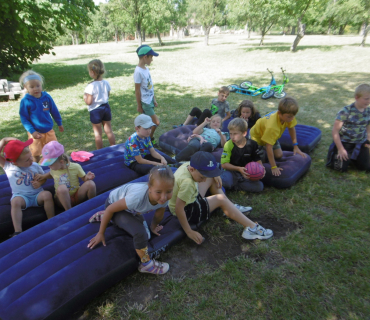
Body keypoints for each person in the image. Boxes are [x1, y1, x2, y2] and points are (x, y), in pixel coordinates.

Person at [169, 151, 273, 244]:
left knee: (212, 179)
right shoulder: (188, 183)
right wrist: (189, 231)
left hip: (190, 198)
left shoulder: (188, 165)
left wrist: (214, 175)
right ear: (192, 169)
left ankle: (229, 209)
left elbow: (206, 173)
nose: (204, 180)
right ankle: (251, 228)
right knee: (220, 199)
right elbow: (179, 209)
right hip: (188, 212)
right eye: (202, 177)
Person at [88, 165, 174, 275]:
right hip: (113, 205)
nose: (163, 197)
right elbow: (110, 208)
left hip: (132, 210)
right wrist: (101, 233)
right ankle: (146, 264)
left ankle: (110, 217)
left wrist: (153, 226)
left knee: (147, 235)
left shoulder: (165, 197)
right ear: (150, 188)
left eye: (168, 191)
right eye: (158, 192)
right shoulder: (137, 198)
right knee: (141, 234)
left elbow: (159, 214)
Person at [0, 137, 55, 237]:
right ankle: (17, 231)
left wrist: (40, 183)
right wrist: (3, 141)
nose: (31, 160)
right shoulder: (9, 167)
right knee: (15, 202)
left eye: (30, 156)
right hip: (22, 197)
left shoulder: (35, 165)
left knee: (47, 195)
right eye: (27, 160)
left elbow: (43, 177)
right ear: (15, 162)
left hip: (37, 194)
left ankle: (51, 219)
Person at [250, 97, 306, 177]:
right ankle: (256, 151)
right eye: (289, 117)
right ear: (279, 113)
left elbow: (291, 128)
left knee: (279, 155)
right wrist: (273, 167)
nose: (292, 118)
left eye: (293, 116)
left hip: (270, 136)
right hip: (256, 138)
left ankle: (264, 150)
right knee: (261, 162)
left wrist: (295, 146)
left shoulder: (289, 115)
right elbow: (269, 147)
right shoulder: (272, 127)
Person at [35, 141, 96, 211]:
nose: (49, 166)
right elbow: (51, 174)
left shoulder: (75, 167)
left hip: (76, 195)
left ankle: (92, 205)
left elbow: (84, 179)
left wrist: (87, 178)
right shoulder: (54, 169)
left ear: (61, 162)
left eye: (50, 164)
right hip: (62, 200)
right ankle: (69, 211)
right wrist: (43, 176)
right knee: (62, 188)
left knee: (91, 184)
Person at [19, 70, 64, 163]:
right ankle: (37, 170)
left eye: (38, 86)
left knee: (54, 151)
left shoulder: (46, 97)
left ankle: (55, 168)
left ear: (41, 85)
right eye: (32, 87)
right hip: (35, 134)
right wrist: (33, 131)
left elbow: (54, 111)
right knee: (35, 154)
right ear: (25, 87)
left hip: (49, 131)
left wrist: (59, 123)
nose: (36, 89)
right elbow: (24, 118)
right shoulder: (26, 101)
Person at [326, 84, 370, 172]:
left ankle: (354, 157)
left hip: (360, 142)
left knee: (365, 168)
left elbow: (368, 126)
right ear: (356, 97)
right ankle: (337, 152)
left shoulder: (368, 111)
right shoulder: (346, 111)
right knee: (339, 168)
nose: (368, 101)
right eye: (366, 98)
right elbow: (335, 131)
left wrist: (368, 140)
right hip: (345, 143)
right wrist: (341, 149)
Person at [221, 118, 264, 193]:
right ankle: (235, 184)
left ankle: (235, 185)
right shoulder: (228, 144)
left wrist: (261, 170)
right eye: (231, 133)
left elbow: (257, 159)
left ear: (244, 133)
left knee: (259, 186)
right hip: (232, 172)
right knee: (225, 181)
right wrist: (238, 169)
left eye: (235, 134)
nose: (232, 137)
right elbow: (224, 165)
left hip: (246, 173)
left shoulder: (252, 144)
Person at [84, 59, 116, 150]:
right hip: (106, 108)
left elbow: (89, 102)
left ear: (92, 72)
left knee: (98, 134)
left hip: (95, 111)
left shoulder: (91, 86)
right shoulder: (106, 83)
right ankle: (113, 147)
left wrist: (84, 97)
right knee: (109, 130)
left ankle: (100, 151)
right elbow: (108, 95)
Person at [134, 45, 160, 145]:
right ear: (145, 57)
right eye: (151, 57)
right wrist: (139, 105)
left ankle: (145, 140)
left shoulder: (146, 69)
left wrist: (154, 99)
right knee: (155, 122)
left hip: (150, 100)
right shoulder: (138, 72)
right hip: (145, 102)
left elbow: (150, 86)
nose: (152, 60)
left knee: (147, 124)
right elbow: (137, 90)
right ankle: (148, 139)